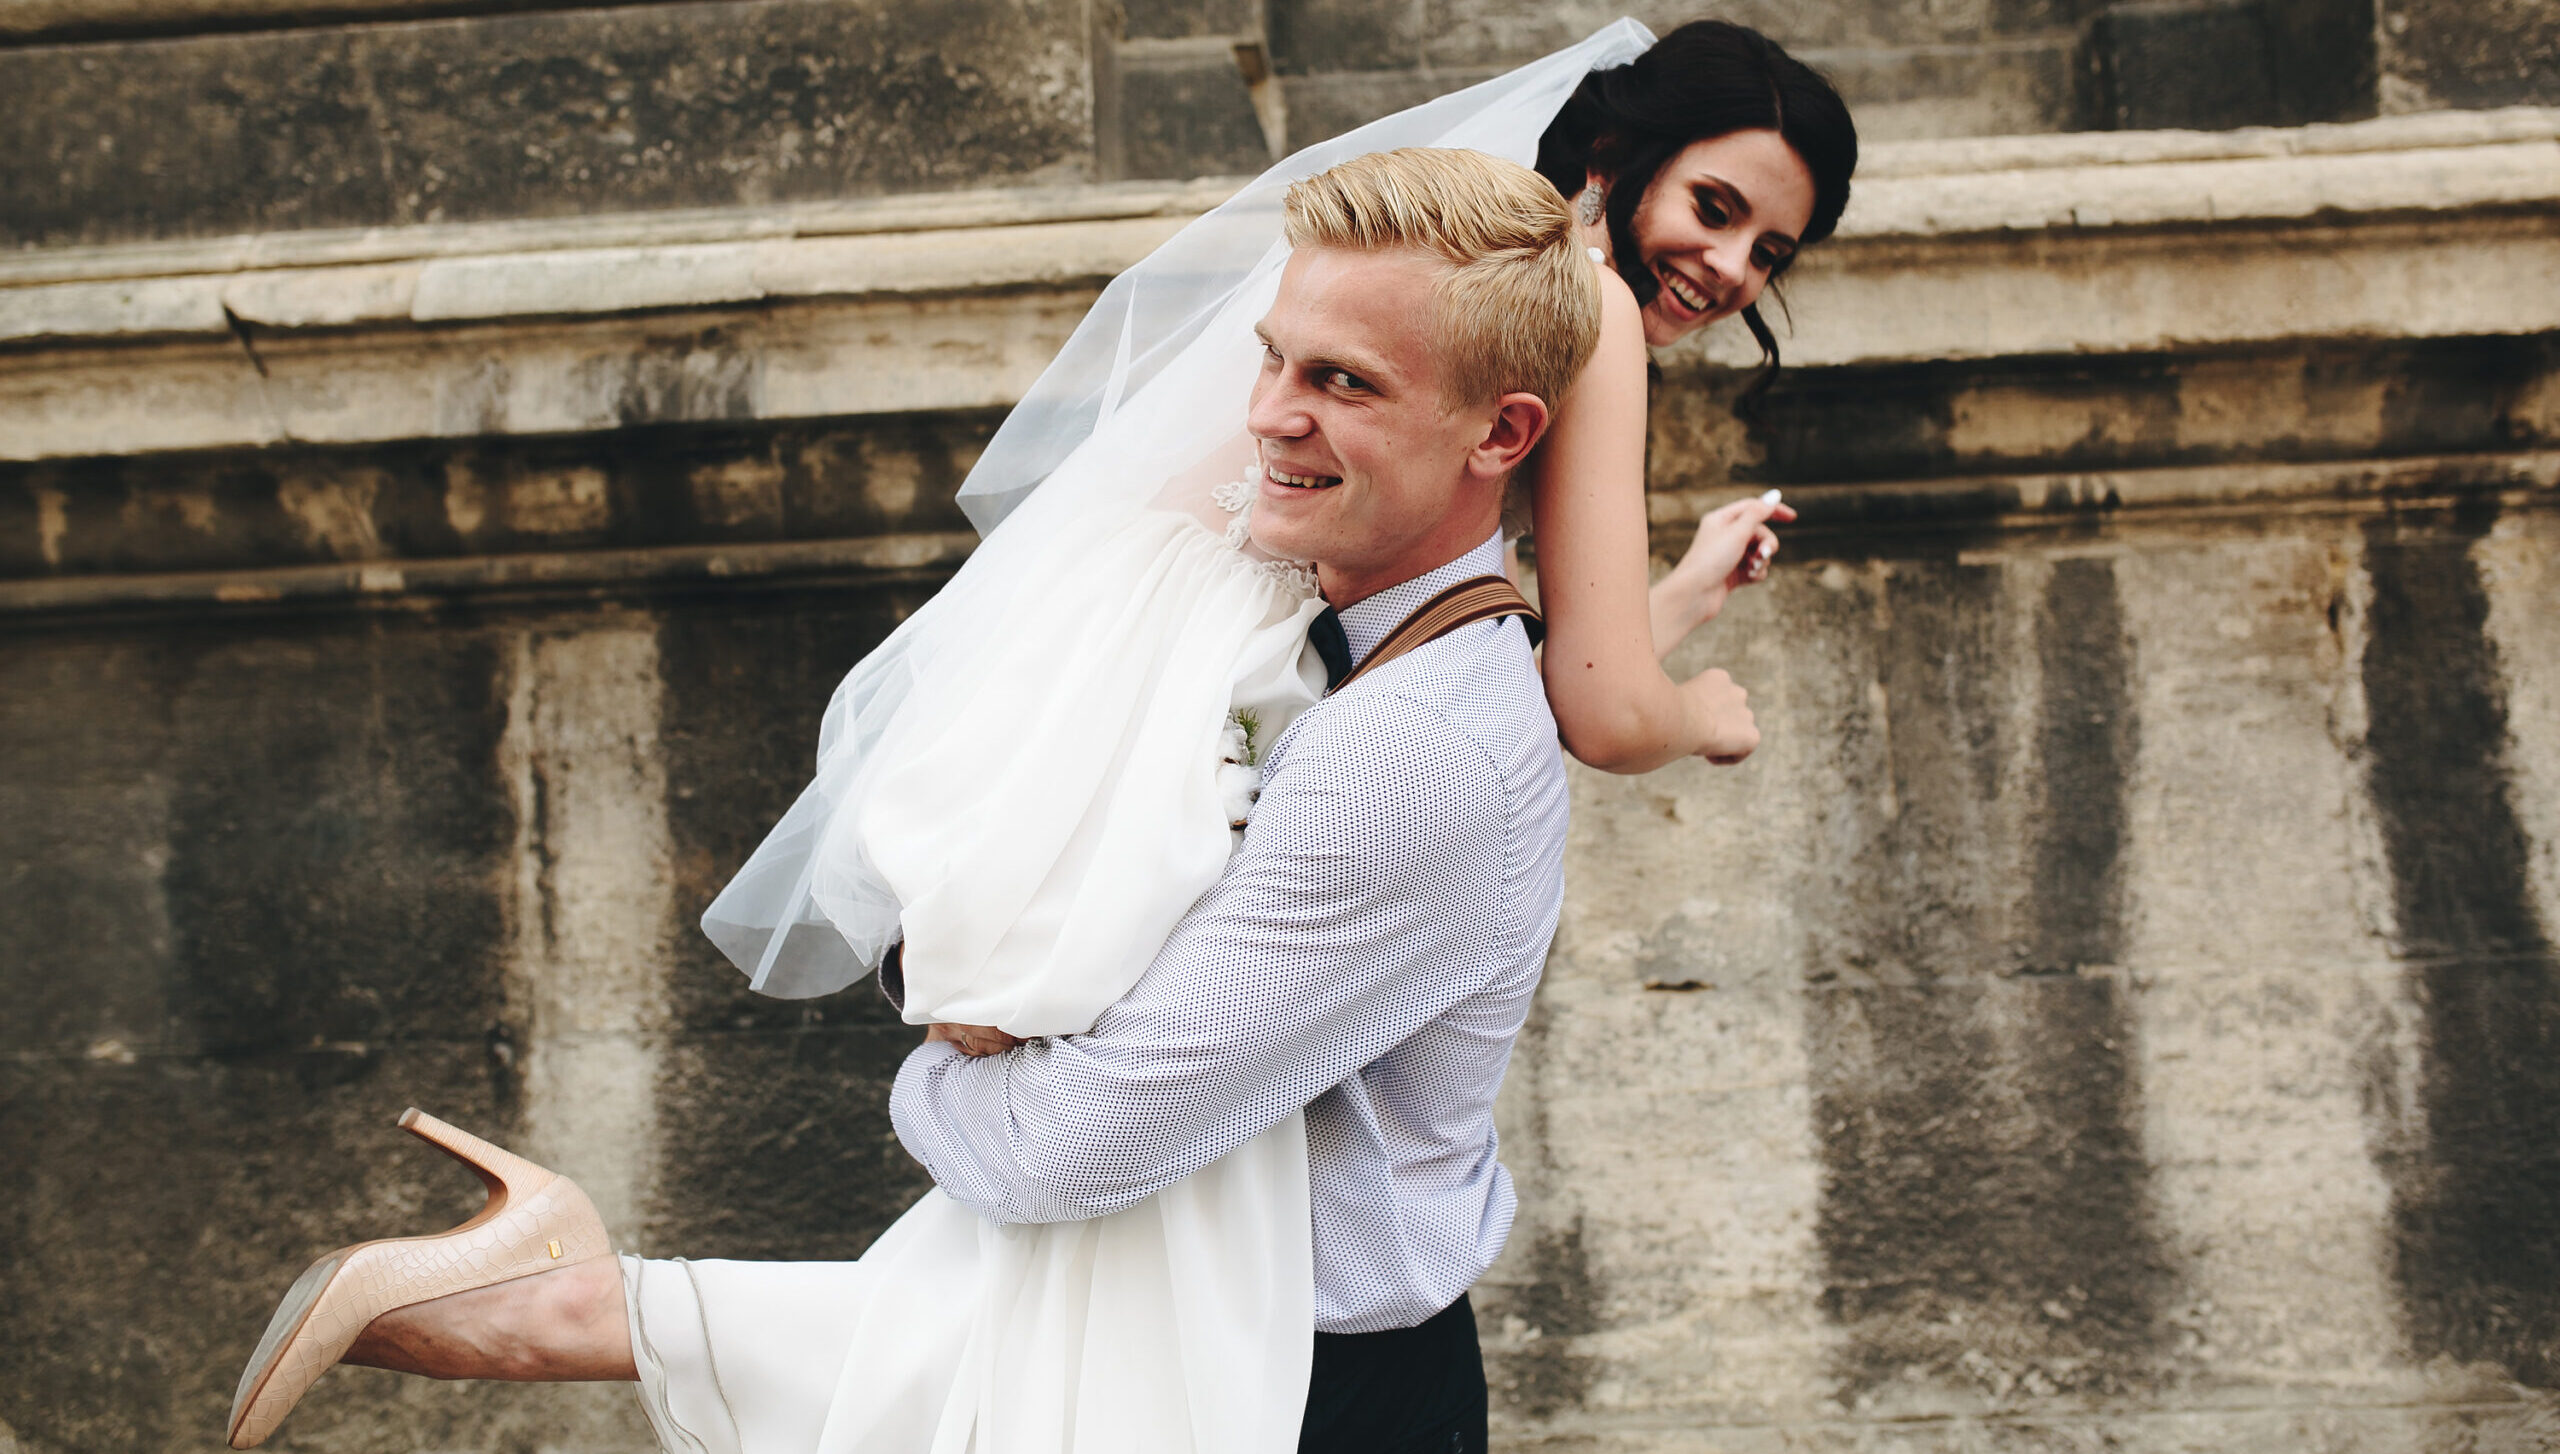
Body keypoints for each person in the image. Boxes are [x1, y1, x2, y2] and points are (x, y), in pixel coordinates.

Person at [226, 19, 1858, 1453]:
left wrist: (957, 1033)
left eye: (1769, 250)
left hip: (1299, 1344)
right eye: (1717, 206)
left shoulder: (1402, 692)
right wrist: (1699, 697)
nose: (1728, 265)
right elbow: (1579, 687)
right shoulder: (1538, 375)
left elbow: (1494, 690)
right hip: (1291, 1366)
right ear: (1626, 151)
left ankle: (573, 1302)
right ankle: (571, 1301)